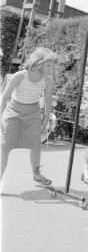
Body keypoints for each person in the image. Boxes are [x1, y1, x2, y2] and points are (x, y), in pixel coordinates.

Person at [1, 47, 56, 186]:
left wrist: (46, 119)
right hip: (13, 111)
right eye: (48, 65)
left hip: (33, 112)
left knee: (35, 145)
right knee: (5, 146)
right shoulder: (19, 76)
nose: (51, 68)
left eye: (52, 66)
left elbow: (48, 100)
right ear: (39, 62)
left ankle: (37, 174)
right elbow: (4, 97)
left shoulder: (48, 80)